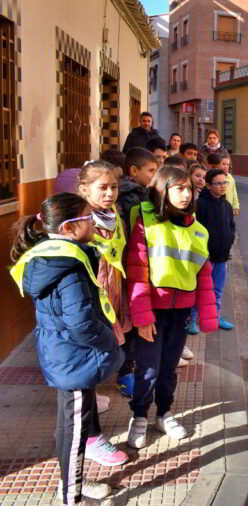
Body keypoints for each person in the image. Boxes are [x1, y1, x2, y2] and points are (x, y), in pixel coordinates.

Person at [10, 193, 123, 502]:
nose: (94, 223)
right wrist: (109, 340)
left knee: (69, 421)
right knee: (75, 431)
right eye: (88, 218)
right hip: (74, 356)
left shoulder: (51, 257)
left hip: (64, 353)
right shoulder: (68, 267)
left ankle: (70, 484)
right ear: (69, 227)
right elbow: (81, 322)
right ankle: (71, 493)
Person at [123, 166, 217, 449]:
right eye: (179, 188)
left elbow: (204, 274)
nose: (187, 194)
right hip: (152, 312)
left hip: (181, 313)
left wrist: (208, 315)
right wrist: (142, 316)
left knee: (168, 368)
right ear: (163, 190)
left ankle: (164, 413)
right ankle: (139, 416)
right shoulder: (146, 222)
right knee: (147, 368)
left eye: (189, 188)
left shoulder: (197, 229)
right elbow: (137, 270)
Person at [78, 161, 134, 445]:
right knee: (90, 347)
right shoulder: (80, 222)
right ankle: (88, 412)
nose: (110, 193)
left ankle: (100, 387)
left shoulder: (114, 216)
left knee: (109, 342)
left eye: (114, 187)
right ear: (84, 190)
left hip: (113, 288)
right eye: (102, 187)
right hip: (90, 293)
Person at [115, 147, 158, 397]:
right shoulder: (131, 198)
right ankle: (125, 373)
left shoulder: (142, 194)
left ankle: (128, 369)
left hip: (133, 268)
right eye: (150, 170)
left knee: (131, 323)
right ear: (133, 170)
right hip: (128, 270)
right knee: (128, 324)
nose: (154, 175)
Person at [192, 168, 236, 331]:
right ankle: (192, 320)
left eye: (225, 183)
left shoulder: (226, 205)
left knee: (217, 290)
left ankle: (215, 317)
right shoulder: (200, 204)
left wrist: (229, 242)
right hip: (205, 258)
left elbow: (231, 227)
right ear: (209, 185)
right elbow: (196, 230)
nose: (223, 186)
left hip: (222, 256)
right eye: (218, 183)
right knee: (199, 289)